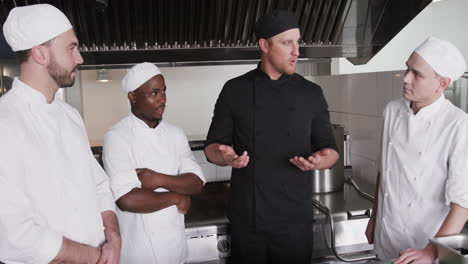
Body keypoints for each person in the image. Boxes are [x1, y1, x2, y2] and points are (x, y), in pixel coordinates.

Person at [204, 10, 339, 264]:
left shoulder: (311, 93)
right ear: (264, 45)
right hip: (248, 222)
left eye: (297, 42)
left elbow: (330, 150)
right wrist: (224, 157)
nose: (296, 51)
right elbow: (212, 147)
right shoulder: (235, 90)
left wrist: (319, 160)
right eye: (287, 43)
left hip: (295, 223)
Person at [0, 4, 121, 264]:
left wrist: (113, 238)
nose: (80, 58)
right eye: (71, 48)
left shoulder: (70, 116)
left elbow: (99, 186)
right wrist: (97, 257)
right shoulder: (5, 123)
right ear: (41, 53)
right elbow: (14, 237)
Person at [365, 37, 468, 264]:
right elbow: (384, 172)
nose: (405, 78)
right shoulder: (392, 110)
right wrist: (375, 218)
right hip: (386, 237)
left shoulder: (458, 125)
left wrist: (432, 251)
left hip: (425, 245)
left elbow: (462, 204)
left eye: (417, 74)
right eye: (407, 68)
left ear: (442, 83)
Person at [102, 62, 205, 263]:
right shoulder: (117, 137)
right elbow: (127, 200)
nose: (162, 99)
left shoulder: (175, 134)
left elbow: (196, 182)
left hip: (174, 250)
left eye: (164, 92)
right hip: (137, 253)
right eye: (154, 93)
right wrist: (177, 196)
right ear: (132, 97)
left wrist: (157, 179)